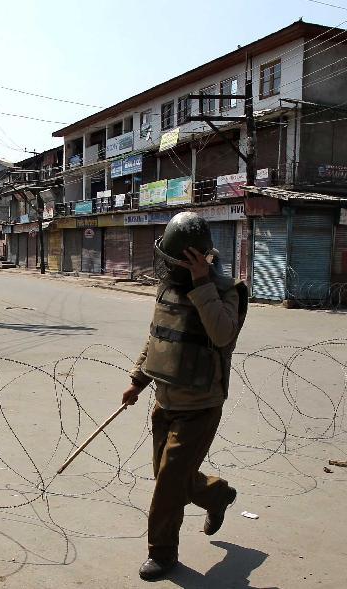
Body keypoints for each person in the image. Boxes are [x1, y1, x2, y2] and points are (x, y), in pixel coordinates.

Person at [121, 211, 249, 581]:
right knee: (170, 476)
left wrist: (201, 283)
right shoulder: (167, 288)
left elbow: (223, 334)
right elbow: (159, 337)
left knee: (167, 485)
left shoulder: (227, 293)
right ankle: (217, 494)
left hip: (200, 406)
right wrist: (137, 380)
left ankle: (162, 553)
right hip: (165, 402)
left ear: (198, 260)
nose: (170, 269)